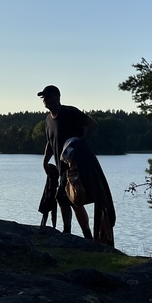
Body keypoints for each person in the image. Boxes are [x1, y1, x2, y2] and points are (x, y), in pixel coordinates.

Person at [38, 85, 114, 245]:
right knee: (72, 200)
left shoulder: (70, 112)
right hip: (61, 168)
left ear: (56, 97)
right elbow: (50, 143)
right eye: (43, 97)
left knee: (65, 198)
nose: (44, 100)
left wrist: (80, 143)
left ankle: (69, 232)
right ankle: (86, 235)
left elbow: (93, 125)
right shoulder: (48, 120)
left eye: (47, 96)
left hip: (76, 166)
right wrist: (45, 162)